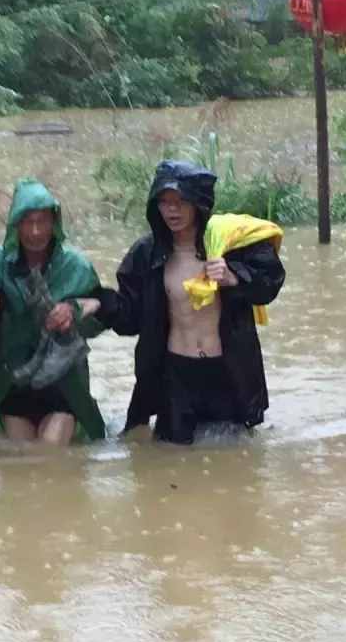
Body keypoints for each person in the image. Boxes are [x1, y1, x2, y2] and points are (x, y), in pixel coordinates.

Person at [96, 159, 285, 444]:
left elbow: (270, 283)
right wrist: (98, 304)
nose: (172, 210)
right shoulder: (146, 254)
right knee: (170, 459)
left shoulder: (229, 245)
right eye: (165, 202)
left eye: (181, 202)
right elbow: (130, 317)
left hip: (227, 371)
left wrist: (234, 278)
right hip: (175, 376)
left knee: (235, 462)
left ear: (199, 203)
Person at [0, 178, 105, 445]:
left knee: (49, 451)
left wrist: (73, 312)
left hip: (65, 385)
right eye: (28, 221)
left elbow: (102, 317)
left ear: (56, 223)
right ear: (15, 225)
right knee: (24, 457)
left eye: (43, 221)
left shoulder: (77, 267)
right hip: (13, 383)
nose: (36, 231)